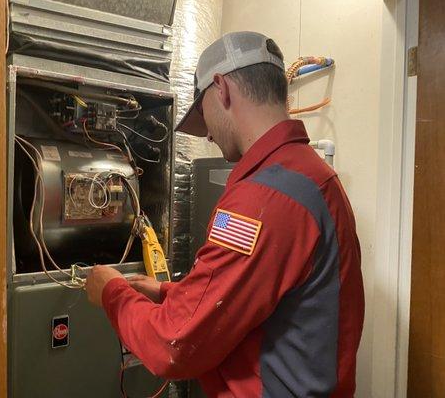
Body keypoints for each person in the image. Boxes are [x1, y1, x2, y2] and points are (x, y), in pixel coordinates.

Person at [86, 31, 364, 397]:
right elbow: (258, 295)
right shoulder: (311, 175)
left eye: (204, 116)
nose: (210, 138)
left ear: (222, 89)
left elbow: (173, 345)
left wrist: (112, 292)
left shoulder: (264, 197)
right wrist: (169, 293)